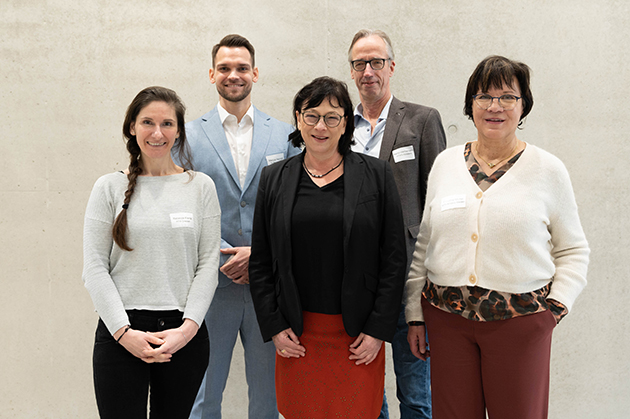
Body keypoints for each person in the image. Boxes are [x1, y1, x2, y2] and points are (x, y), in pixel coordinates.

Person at [405, 55, 590, 419]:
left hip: (519, 324)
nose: (495, 106)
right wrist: (415, 314)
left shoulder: (547, 169)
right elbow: (425, 244)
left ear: (523, 106)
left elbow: (573, 249)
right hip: (447, 321)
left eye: (507, 96)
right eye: (484, 96)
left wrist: (554, 309)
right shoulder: (445, 164)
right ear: (470, 105)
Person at [249, 76, 407, 419]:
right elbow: (260, 262)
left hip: (357, 336)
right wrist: (274, 326)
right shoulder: (274, 179)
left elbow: (394, 260)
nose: (321, 125)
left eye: (332, 117)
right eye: (312, 115)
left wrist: (378, 331)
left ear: (345, 123)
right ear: (298, 118)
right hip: (296, 334)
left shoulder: (376, 176)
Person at [82, 86, 221, 419]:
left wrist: (186, 331)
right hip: (121, 333)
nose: (157, 133)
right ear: (132, 126)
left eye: (167, 124)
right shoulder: (108, 187)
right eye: (147, 122)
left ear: (178, 130)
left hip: (182, 336)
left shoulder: (200, 187)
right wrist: (124, 334)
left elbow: (208, 265)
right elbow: (95, 267)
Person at [185, 34, 300, 419]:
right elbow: (181, 205)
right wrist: (222, 254)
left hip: (268, 285)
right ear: (212, 74)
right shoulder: (187, 135)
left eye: (241, 68)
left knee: (269, 396)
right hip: (209, 286)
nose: (233, 75)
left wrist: (259, 255)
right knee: (203, 394)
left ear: (255, 73)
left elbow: (296, 205)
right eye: (224, 68)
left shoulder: (286, 135)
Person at [348, 29, 447, 419]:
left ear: (391, 66)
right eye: (359, 63)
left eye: (375, 62)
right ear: (352, 71)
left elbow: (437, 203)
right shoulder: (339, 124)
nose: (368, 71)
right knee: (366, 396)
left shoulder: (421, 121)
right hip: (356, 282)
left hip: (409, 281)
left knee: (417, 395)